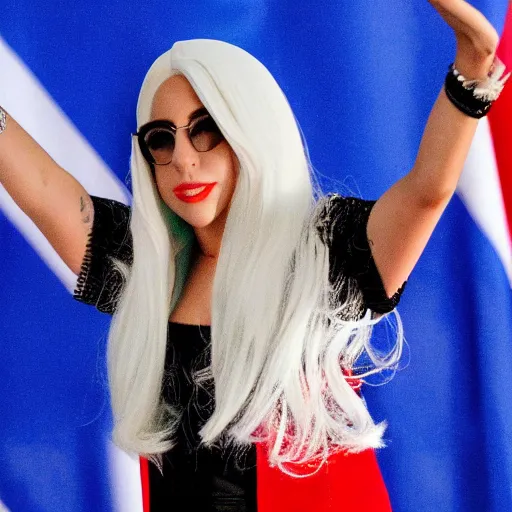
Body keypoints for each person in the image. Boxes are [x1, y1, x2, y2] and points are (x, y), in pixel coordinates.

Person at [0, 1, 509, 511]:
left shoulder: (320, 256)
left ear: (249, 129)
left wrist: (471, 71)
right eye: (161, 139)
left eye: (206, 129)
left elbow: (426, 193)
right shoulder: (148, 267)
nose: (183, 160)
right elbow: (45, 189)